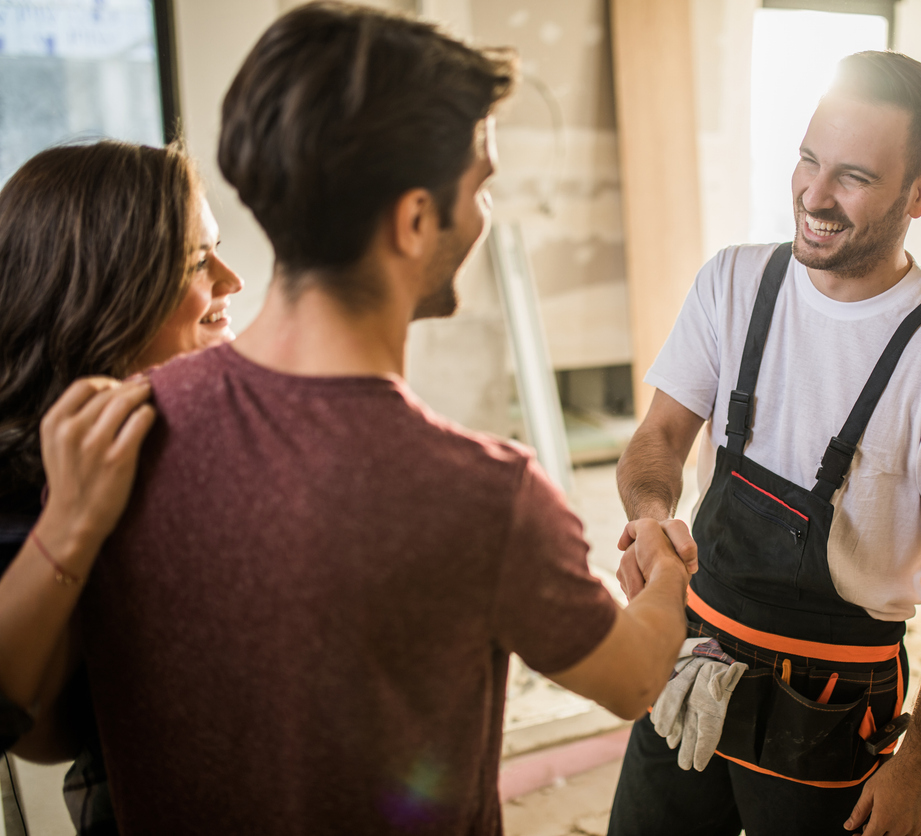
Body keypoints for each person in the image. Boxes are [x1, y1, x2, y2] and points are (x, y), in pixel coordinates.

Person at [71, 4, 693, 833]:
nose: (484, 216)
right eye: (481, 189)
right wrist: (668, 571)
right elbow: (633, 680)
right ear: (412, 220)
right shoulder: (484, 495)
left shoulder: (124, 431)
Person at [608, 51, 921, 836]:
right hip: (690, 655)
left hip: (832, 706)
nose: (814, 193)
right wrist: (650, 513)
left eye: (853, 176)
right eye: (808, 160)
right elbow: (659, 438)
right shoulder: (735, 283)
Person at [0, 139, 244, 832]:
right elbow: (41, 732)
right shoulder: (28, 489)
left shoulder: (179, 430)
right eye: (200, 260)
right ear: (100, 293)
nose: (233, 280)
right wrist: (72, 525)